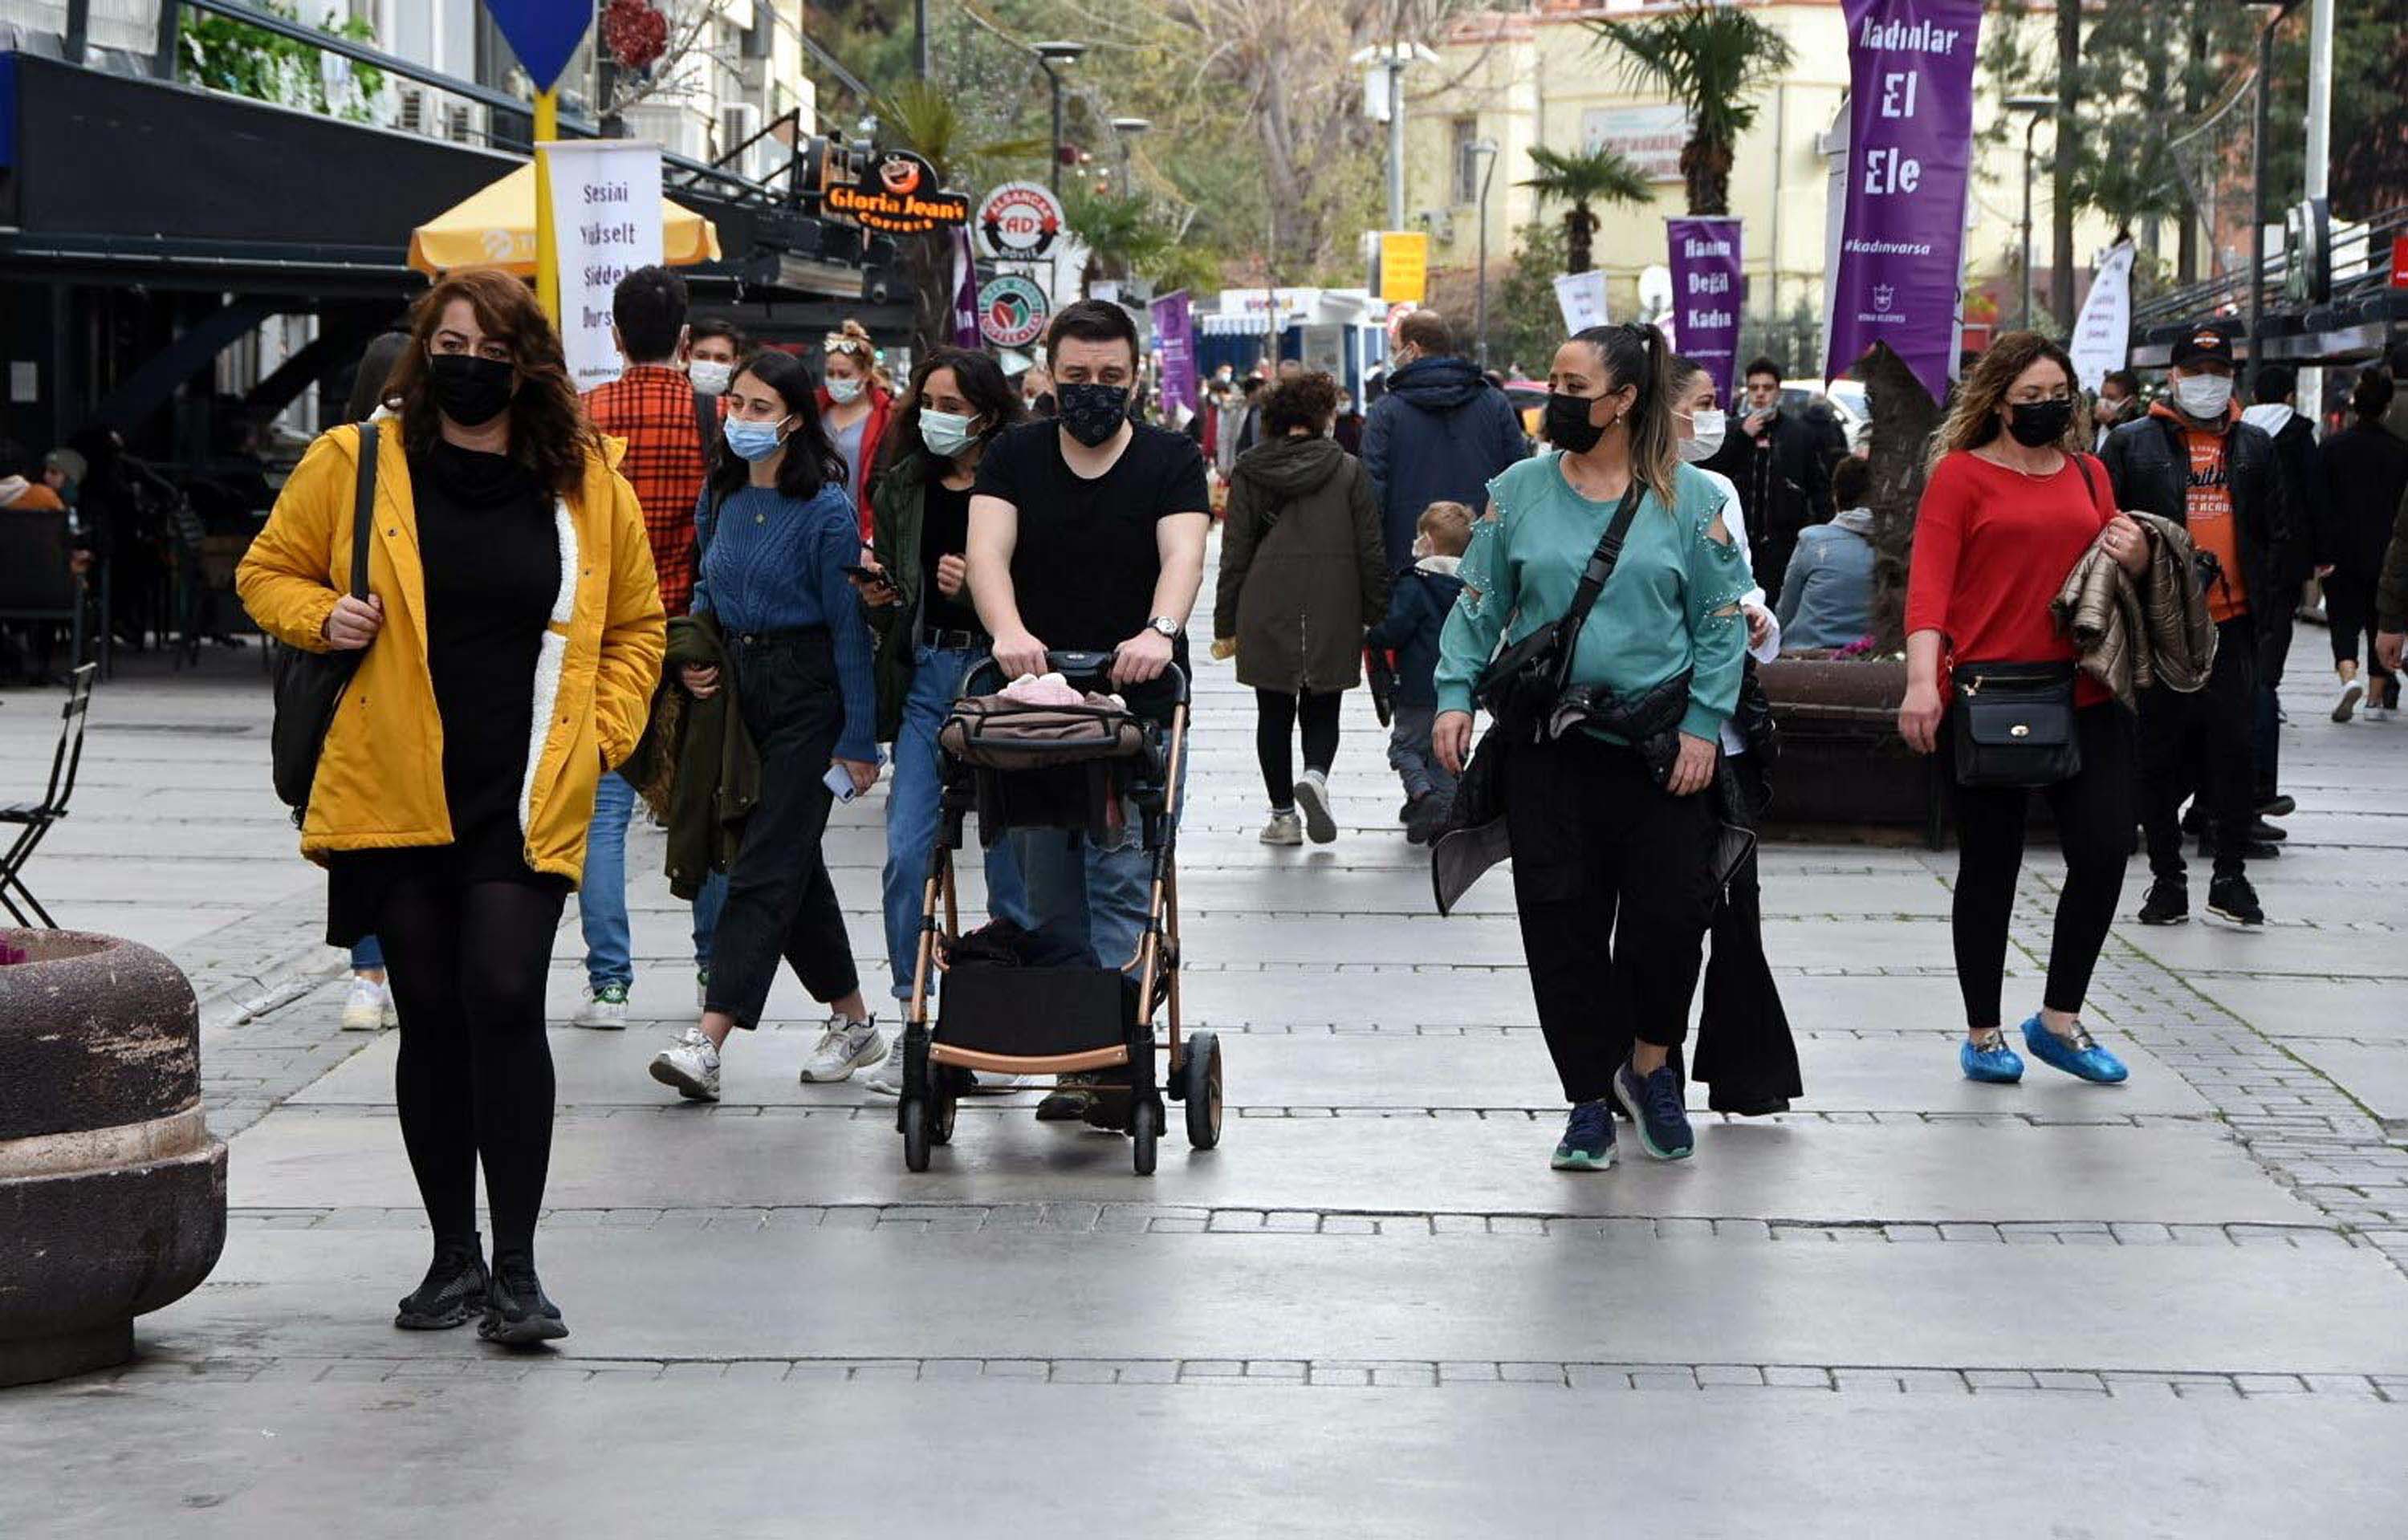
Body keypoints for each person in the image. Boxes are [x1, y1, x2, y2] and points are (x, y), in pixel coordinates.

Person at [236, 269, 666, 1344]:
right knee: (429, 1018)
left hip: (523, 784)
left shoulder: (584, 476)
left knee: (507, 994)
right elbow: (262, 570)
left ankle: (518, 1270)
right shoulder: (356, 462)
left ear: (526, 363)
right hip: (393, 780)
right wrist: (321, 613)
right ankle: (451, 1258)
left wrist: (602, 735)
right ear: (423, 349)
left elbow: (639, 626)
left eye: (487, 344)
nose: (464, 359)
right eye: (447, 339)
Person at [1432, 322, 1748, 1172]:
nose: (1554, 400)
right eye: (1553, 381)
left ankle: (1650, 1067)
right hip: (1549, 749)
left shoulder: (1696, 501)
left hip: (1659, 751)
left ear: (1623, 400)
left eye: (1574, 388)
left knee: (1671, 920)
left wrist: (1703, 724)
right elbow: (1478, 602)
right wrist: (1454, 695)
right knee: (1561, 926)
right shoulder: (1518, 491)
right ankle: (1585, 1102)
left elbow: (1721, 624)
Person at [966, 299, 1211, 1124]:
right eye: (1076, 376)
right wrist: (1008, 632)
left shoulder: (1172, 459)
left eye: (1110, 376)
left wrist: (1160, 630)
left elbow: (1183, 551)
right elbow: (987, 554)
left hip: (1131, 704)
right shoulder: (1015, 456)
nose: (1093, 390)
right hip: (1032, 706)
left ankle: (1117, 1053)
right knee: (1046, 885)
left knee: (1120, 876)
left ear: (1136, 376)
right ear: (1049, 376)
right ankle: (1072, 1051)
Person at [1900, 331, 2148, 1087]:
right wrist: (1919, 683)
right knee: (1991, 865)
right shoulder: (1962, 477)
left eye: (2057, 396)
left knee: (2105, 849)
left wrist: (2134, 551)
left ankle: (2059, 1019)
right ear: (1998, 403)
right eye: (2029, 398)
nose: (2046, 409)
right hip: (1987, 695)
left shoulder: (2091, 473)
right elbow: (1929, 587)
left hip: (2082, 690)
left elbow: (2111, 569)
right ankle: (1983, 1032)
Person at [646, 350, 884, 1102]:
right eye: (735, 403)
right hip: (736, 691)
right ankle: (854, 1019)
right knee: (785, 859)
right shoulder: (718, 494)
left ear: (792, 419)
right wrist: (692, 657)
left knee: (762, 866)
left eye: (758, 407)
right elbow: (707, 585)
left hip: (808, 691)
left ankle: (709, 1039)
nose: (741, 418)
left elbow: (849, 629)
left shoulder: (825, 510)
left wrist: (858, 739)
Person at [855, 347, 1033, 1095]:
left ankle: (1008, 1015)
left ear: (988, 414)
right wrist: (882, 595)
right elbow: (901, 585)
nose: (935, 415)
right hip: (927, 675)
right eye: (927, 400)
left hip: (1002, 680)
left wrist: (979, 590)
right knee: (907, 853)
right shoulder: (903, 486)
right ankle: (914, 1014)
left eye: (952, 404)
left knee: (1010, 854)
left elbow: (1043, 587)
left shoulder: (1021, 480)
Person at [570, 266, 725, 1029]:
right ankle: (710, 971)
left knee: (602, 813)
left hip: (605, 635)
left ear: (617, 336)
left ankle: (609, 985)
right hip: (696, 635)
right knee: (707, 800)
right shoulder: (718, 416)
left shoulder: (583, 418)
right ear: (687, 338)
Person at [2102, 328, 2286, 926]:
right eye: (2196, 368)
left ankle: (2229, 877)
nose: (2208, 379)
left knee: (2234, 754)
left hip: (2232, 625)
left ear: (2231, 377)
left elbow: (2276, 535)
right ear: (2174, 377)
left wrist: (2271, 621)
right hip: (2162, 626)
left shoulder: (2256, 446)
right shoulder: (2131, 445)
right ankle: (2166, 879)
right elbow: (2103, 528)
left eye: (2218, 367)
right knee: (2157, 756)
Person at [1667, 354, 1799, 1117]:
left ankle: (1746, 1071)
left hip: (1726, 743)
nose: (1716, 415)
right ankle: (1642, 1061)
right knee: (1660, 912)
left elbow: (1741, 582)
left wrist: (1756, 616)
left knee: (1736, 903)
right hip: (1649, 731)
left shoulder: (1716, 491)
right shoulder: (1591, 487)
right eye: (1704, 402)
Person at [1211, 369, 1389, 846]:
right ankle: (1314, 776)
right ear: (1324, 417)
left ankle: (1284, 817)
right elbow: (1370, 547)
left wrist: (1225, 623)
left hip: (1265, 599)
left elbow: (1235, 552)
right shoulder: (1349, 469)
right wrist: (1378, 611)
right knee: (1323, 704)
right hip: (1335, 599)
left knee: (1272, 712)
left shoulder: (1250, 470)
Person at [331, 327, 415, 1038]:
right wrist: (325, 613)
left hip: (425, 681)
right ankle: (367, 971)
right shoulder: (341, 459)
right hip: (360, 677)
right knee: (366, 834)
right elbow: (270, 574)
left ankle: (376, 974)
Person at [1362, 311, 1529, 571]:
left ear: (1413, 349)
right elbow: (1520, 482)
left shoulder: (1385, 412)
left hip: (1408, 563)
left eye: (1395, 349)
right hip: (1484, 562)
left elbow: (1372, 498)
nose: (1393, 357)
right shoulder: (1494, 403)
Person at [2239, 365, 2323, 811]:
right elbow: (2315, 494)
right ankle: (2255, 789)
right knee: (2264, 673)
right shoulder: (2298, 435)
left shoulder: (2237, 431)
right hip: (2286, 562)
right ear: (2289, 395)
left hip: (2236, 565)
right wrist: (2321, 551)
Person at [1365, 500, 1471, 844]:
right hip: (1458, 691)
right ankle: (1446, 815)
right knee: (1448, 753)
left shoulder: (1416, 583)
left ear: (1427, 541)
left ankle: (1424, 797)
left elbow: (1395, 629)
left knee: (1405, 748)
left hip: (1416, 687)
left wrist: (1370, 635)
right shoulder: (1472, 587)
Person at [1702, 356, 1832, 607]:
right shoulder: (1732, 430)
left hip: (1783, 544)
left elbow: (1819, 488)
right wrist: (1741, 435)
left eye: (1767, 388)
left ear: (1778, 391)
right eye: (1754, 388)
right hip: (1738, 539)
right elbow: (1710, 468)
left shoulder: (1800, 434)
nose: (1760, 394)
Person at [2320, 370, 2408, 722]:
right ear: (2387, 407)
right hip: (2384, 550)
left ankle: (2347, 677)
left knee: (2343, 620)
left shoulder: (2331, 448)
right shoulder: (2401, 452)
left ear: (2354, 405)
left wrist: (2321, 551)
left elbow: (2320, 502)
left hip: (2341, 550)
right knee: (2379, 621)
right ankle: (2374, 700)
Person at [1776, 453, 1878, 650]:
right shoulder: (1891, 549)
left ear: (1835, 498)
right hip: (1868, 655)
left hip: (1806, 651)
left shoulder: (1812, 540)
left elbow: (1787, 607)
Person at [819, 319, 893, 542]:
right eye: (830, 373)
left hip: (862, 531)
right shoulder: (815, 411)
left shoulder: (885, 418)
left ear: (866, 374)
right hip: (815, 527)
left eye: (844, 374)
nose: (835, 380)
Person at [687, 316, 746, 399]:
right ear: (688, 357)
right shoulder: (671, 398)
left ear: (735, 363)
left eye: (722, 359)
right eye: (702, 356)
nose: (711, 364)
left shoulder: (742, 406)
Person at [2093, 368, 2141, 452]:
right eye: (2102, 396)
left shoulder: (2139, 429)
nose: (2103, 402)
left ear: (2131, 401)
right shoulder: (2093, 425)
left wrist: (2112, 423)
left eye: (2111, 398)